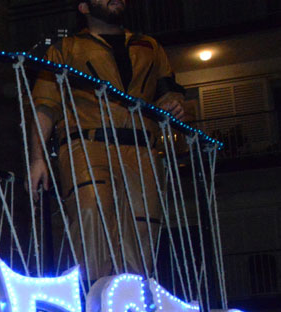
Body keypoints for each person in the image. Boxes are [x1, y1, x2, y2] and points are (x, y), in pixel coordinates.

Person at [27, 0, 187, 285]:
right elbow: (45, 106)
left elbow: (168, 89)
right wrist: (37, 157)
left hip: (141, 149)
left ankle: (133, 306)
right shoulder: (65, 49)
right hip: (87, 144)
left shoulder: (148, 46)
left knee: (143, 225)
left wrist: (173, 102)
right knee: (91, 214)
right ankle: (94, 298)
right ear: (84, 7)